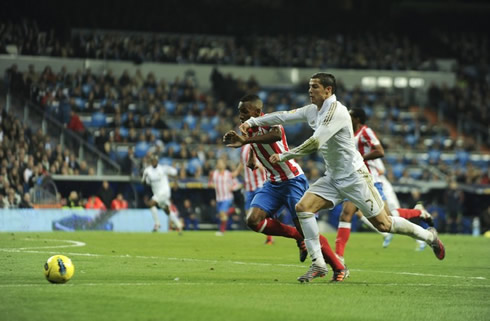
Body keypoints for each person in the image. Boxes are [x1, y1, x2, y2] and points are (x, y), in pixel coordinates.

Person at [239, 73, 445, 283]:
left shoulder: (337, 112)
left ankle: (430, 237)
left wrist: (285, 155)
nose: (310, 90)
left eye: (315, 87)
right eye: (310, 86)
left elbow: (315, 143)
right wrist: (253, 121)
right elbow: (283, 116)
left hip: (355, 178)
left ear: (328, 90)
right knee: (303, 208)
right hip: (333, 178)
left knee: (384, 224)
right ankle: (318, 264)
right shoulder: (313, 110)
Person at [224, 94, 346, 276]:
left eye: (244, 111)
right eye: (239, 111)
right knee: (252, 220)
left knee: (306, 229)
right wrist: (251, 157)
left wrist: (246, 141)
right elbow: (253, 144)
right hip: (272, 182)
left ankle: (338, 267)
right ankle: (297, 237)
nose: (240, 115)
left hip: (292, 180)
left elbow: (274, 136)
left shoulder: (270, 121)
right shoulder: (247, 127)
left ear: (258, 112)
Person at [334, 108, 433, 264]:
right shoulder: (349, 134)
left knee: (388, 219)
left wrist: (361, 157)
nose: (348, 118)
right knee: (346, 214)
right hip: (354, 179)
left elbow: (380, 151)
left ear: (358, 119)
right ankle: (338, 257)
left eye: (351, 116)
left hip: (371, 180)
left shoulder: (366, 132)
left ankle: (418, 213)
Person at [232, 143, 273, 244]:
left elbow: (266, 162)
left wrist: (260, 167)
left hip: (260, 184)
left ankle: (269, 237)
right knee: (248, 214)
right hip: (248, 186)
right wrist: (236, 173)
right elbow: (242, 163)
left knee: (261, 213)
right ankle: (267, 231)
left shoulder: (258, 145)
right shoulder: (243, 149)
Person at [142, 155, 183, 233]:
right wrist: (144, 178)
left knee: (151, 204)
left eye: (155, 160)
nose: (154, 162)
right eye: (152, 160)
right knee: (166, 210)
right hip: (157, 194)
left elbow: (175, 172)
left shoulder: (163, 168)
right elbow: (145, 183)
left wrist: (175, 183)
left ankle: (157, 224)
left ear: (157, 161)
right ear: (151, 161)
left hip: (165, 192)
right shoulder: (147, 171)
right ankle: (179, 225)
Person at [208, 158, 235, 236]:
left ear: (224, 165)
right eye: (218, 163)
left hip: (227, 197)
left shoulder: (228, 174)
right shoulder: (214, 173)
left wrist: (232, 187)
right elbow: (209, 183)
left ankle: (222, 231)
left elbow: (235, 183)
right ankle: (233, 210)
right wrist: (211, 185)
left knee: (222, 213)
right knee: (222, 215)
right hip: (219, 198)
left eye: (221, 163)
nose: (219, 164)